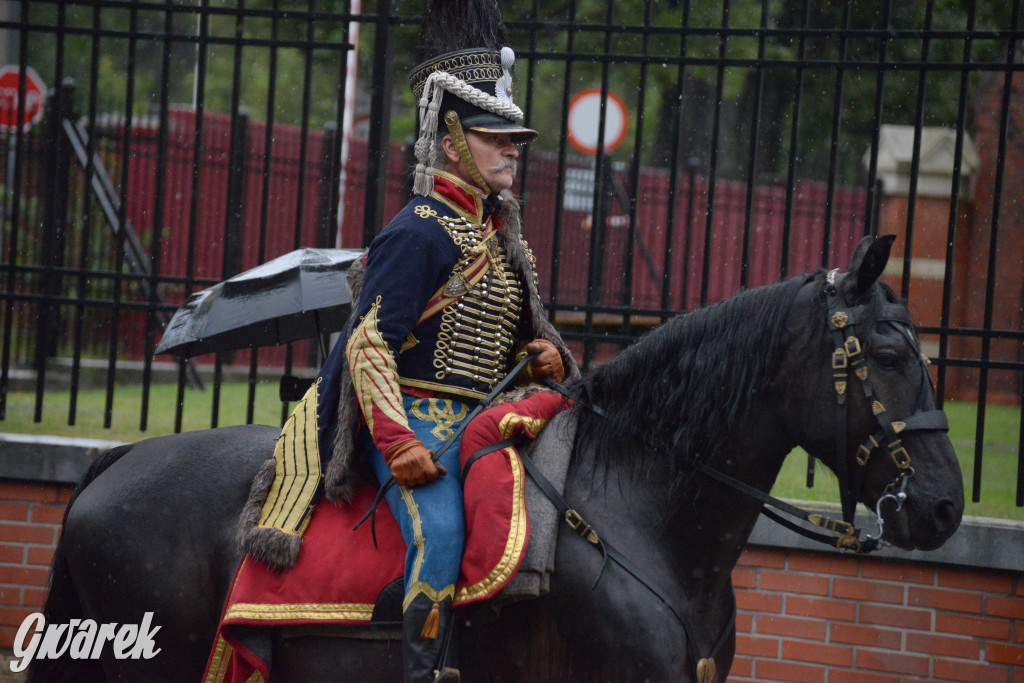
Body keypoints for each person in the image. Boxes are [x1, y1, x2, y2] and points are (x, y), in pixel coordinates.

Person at [340, 38, 576, 682]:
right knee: (440, 534)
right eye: (495, 138)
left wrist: (541, 361)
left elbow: (494, 348)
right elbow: (369, 343)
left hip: (483, 421)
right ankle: (424, 674)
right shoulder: (417, 229)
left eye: (515, 142)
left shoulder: (502, 238)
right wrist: (395, 442)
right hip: (413, 423)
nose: (511, 151)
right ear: (450, 142)